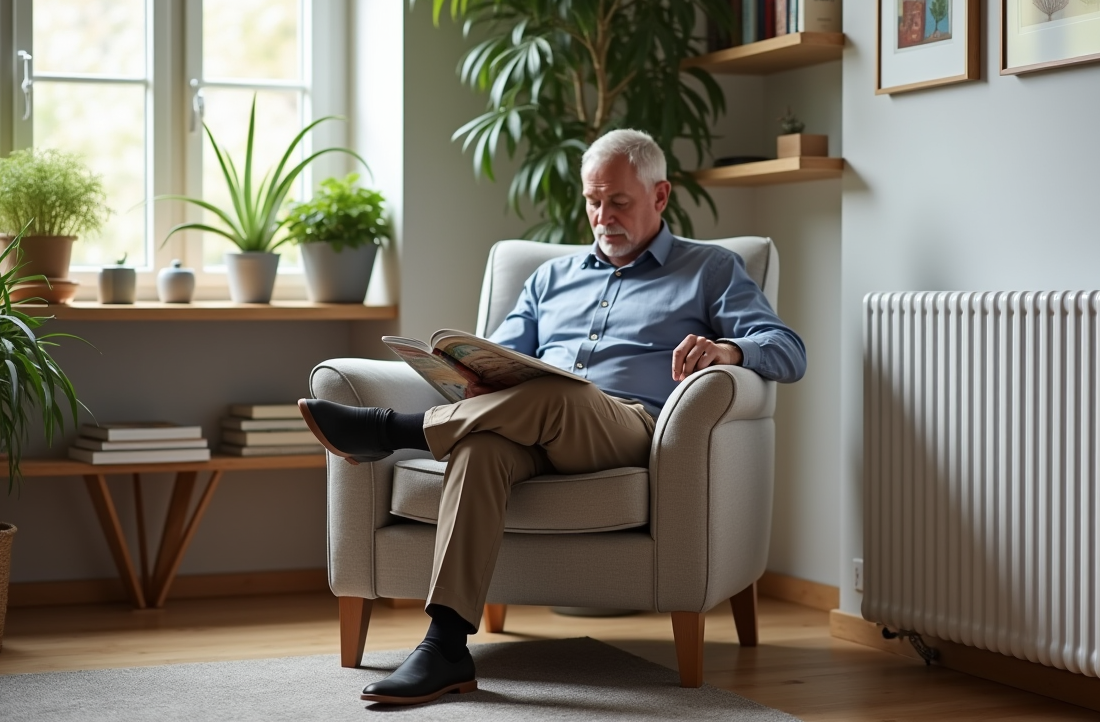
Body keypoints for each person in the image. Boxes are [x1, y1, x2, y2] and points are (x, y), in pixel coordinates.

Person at [299, 129, 807, 706]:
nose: (602, 215)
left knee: (567, 394)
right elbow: (498, 359)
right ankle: (445, 646)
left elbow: (788, 350)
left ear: (660, 195)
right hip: (531, 424)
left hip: (630, 428)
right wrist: (470, 374)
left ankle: (394, 431)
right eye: (593, 200)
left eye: (618, 201)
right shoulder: (550, 278)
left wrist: (729, 352)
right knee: (481, 446)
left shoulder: (711, 269)